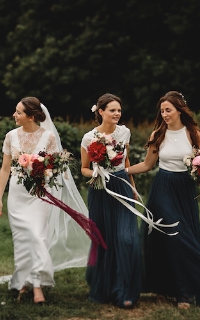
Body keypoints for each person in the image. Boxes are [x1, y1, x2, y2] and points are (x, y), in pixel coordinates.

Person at [126, 91, 200, 309]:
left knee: (182, 238)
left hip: (185, 190)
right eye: (162, 111)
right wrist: (122, 171)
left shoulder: (193, 133)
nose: (164, 114)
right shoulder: (158, 134)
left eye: (168, 110)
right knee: (175, 237)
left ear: (179, 110)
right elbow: (147, 165)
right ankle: (183, 292)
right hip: (163, 188)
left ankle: (178, 289)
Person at [0, 97, 90, 305]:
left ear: (31, 116)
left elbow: (57, 166)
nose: (14, 115)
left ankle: (37, 285)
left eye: (18, 112)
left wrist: (53, 173)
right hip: (17, 196)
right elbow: (4, 169)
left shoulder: (47, 137)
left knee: (38, 236)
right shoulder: (10, 136)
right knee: (22, 240)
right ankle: (22, 283)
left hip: (40, 195)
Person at [80, 93, 141, 308]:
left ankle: (126, 291)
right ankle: (107, 288)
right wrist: (96, 173)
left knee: (126, 238)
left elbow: (126, 161)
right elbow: (84, 169)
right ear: (101, 112)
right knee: (104, 239)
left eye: (119, 110)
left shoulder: (124, 132)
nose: (117, 114)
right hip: (100, 190)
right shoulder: (89, 138)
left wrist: (132, 187)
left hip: (122, 186)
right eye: (113, 110)